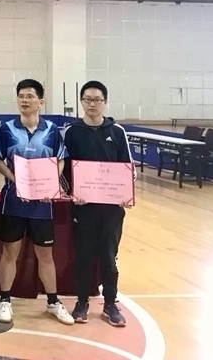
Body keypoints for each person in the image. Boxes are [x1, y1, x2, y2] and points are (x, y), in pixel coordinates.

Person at [0, 79, 74, 326]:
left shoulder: (53, 131)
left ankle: (53, 301)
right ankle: (5, 300)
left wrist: (50, 182)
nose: (24, 100)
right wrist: (14, 178)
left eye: (29, 96)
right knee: (10, 252)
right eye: (21, 96)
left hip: (42, 204)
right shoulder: (6, 129)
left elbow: (60, 159)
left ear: (41, 101)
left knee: (45, 254)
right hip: (13, 201)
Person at [63, 80, 134, 328]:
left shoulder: (117, 132)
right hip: (83, 207)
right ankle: (82, 302)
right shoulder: (71, 132)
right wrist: (73, 192)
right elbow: (65, 169)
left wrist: (126, 193)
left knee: (109, 256)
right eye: (87, 99)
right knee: (84, 255)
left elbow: (128, 168)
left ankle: (110, 303)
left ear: (105, 102)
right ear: (81, 102)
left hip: (112, 209)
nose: (92, 104)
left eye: (97, 100)